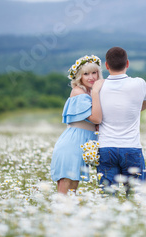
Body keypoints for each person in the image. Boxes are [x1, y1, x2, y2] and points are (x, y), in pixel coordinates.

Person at [95, 46, 146, 196]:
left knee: (107, 197)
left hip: (105, 148)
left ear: (106, 66)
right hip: (131, 147)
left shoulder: (99, 86)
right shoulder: (140, 83)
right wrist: (130, 111)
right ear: (127, 63)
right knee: (136, 198)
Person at [50, 55, 103, 194]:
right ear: (80, 77)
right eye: (86, 74)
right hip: (72, 144)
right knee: (65, 185)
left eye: (94, 72)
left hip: (81, 144)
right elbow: (96, 118)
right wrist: (97, 92)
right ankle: (59, 213)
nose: (91, 77)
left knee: (73, 189)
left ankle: (66, 214)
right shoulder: (79, 92)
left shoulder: (90, 92)